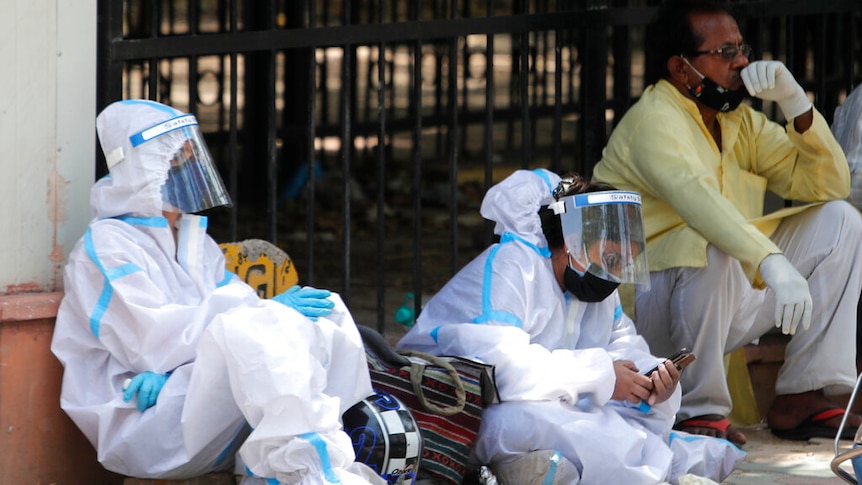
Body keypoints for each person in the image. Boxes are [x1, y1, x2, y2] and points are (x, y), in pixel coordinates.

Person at [50, 99, 386, 485]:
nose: (189, 169)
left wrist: (269, 316)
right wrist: (183, 365)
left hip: (199, 400)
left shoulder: (195, 242)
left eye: (193, 156)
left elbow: (238, 320)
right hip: (145, 419)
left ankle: (302, 462)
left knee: (322, 318)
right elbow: (153, 342)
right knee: (268, 325)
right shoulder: (106, 246)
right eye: (176, 159)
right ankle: (312, 472)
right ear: (142, 168)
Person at [592, 0, 862, 446]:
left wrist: (797, 105)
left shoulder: (738, 120)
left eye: (741, 48)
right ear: (682, 69)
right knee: (711, 242)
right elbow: (700, 203)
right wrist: (771, 260)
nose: (742, 62)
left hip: (713, 299)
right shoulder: (654, 120)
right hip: (640, 315)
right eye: (724, 53)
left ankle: (806, 394)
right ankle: (697, 413)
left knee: (841, 222)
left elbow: (830, 185)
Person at [397, 169, 744, 484]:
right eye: (610, 258)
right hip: (469, 414)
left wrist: (652, 382)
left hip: (555, 405)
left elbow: (624, 348)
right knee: (575, 428)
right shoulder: (513, 266)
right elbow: (500, 370)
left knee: (617, 429)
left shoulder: (593, 286)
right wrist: (604, 378)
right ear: (570, 240)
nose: (616, 271)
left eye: (623, 262)